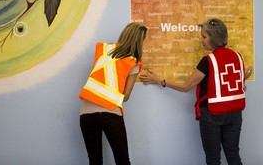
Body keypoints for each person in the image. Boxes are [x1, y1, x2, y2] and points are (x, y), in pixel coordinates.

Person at [139, 18, 253, 165]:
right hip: (235, 114)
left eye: (204, 37)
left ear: (215, 37)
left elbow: (186, 86)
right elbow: (240, 86)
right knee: (233, 156)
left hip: (213, 114)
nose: (201, 40)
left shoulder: (208, 61)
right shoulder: (237, 56)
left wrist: (160, 80)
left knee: (213, 158)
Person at [79, 23, 147, 165]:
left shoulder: (103, 49)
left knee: (95, 161)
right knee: (122, 160)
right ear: (139, 41)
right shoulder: (133, 61)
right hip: (110, 113)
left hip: (86, 113)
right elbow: (125, 96)